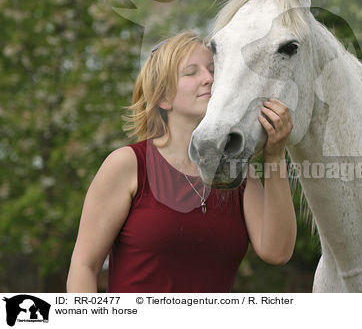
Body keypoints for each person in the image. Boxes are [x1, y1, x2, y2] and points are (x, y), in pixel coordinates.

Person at [66, 30, 297, 293]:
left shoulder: (238, 172)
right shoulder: (128, 165)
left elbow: (277, 251)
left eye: (212, 70)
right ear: (163, 97)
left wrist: (275, 155)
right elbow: (84, 266)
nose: (209, 79)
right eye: (191, 73)